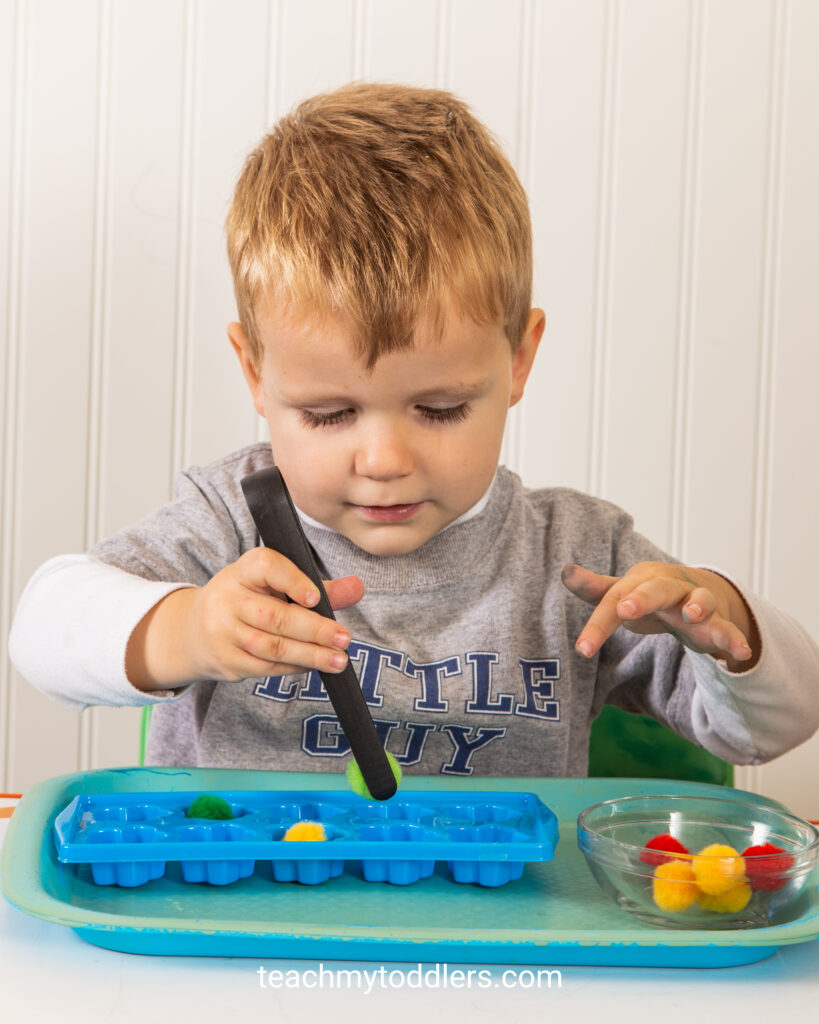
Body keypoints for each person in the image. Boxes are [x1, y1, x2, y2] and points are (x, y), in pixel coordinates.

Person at [9, 83, 819, 777]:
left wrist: (734, 630)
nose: (384, 459)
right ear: (255, 374)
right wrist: (185, 628)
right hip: (244, 928)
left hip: (504, 944)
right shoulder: (230, 521)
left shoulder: (577, 556)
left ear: (518, 360)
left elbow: (771, 728)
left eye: (439, 409)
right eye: (328, 414)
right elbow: (42, 630)